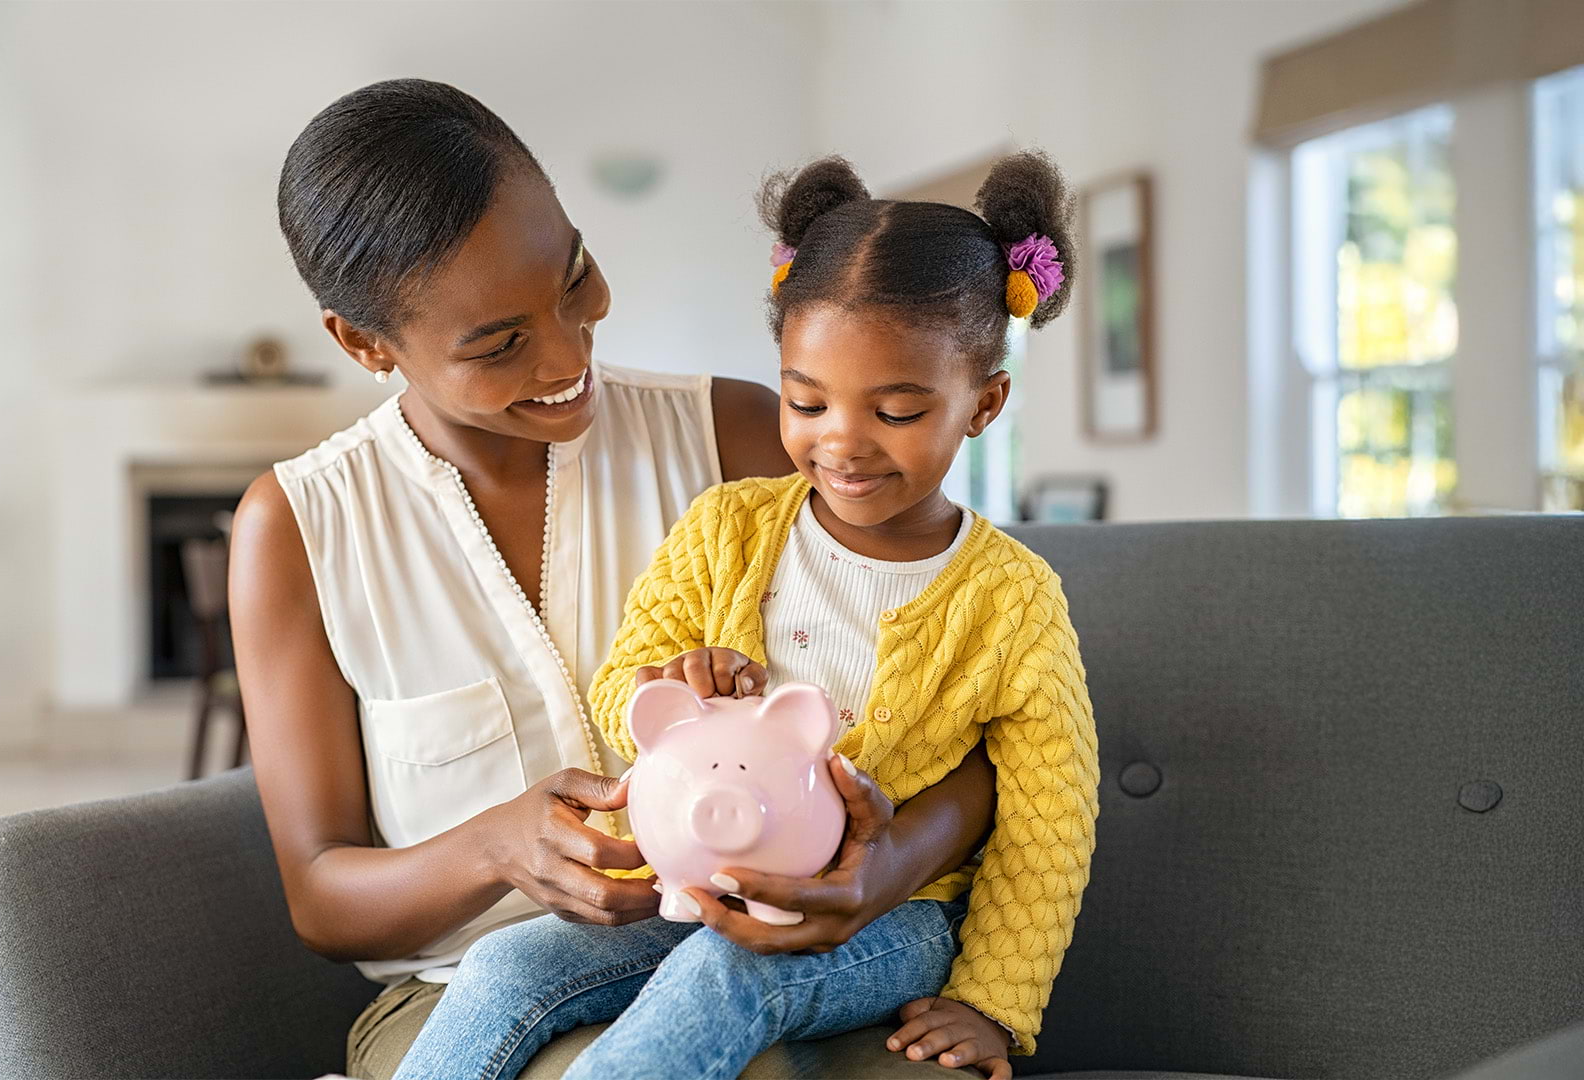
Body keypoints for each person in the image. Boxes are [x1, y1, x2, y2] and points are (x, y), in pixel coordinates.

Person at [229, 78, 1000, 1079]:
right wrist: (495, 848)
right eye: (501, 342)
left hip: (764, 952)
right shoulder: (300, 527)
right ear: (364, 343)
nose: (567, 351)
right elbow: (322, 897)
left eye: (575, 276)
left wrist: (885, 868)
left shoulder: (736, 439)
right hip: (464, 1002)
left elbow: (981, 710)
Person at [394, 151, 1099, 1080]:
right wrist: (672, 684)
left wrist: (992, 1007)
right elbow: (623, 687)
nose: (840, 442)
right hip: (694, 884)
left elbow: (1051, 822)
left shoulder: (1011, 599)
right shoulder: (728, 527)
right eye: (806, 402)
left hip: (898, 916)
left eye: (895, 411)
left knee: (725, 978)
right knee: (510, 963)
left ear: (984, 404)